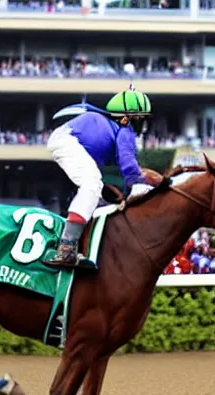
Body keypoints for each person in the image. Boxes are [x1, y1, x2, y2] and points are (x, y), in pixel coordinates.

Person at [43, 87, 154, 269]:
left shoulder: (115, 125)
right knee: (91, 186)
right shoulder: (125, 130)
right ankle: (67, 248)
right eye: (141, 118)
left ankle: (81, 247)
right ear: (126, 118)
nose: (144, 124)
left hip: (66, 139)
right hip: (68, 141)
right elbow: (128, 165)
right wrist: (143, 188)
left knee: (96, 194)